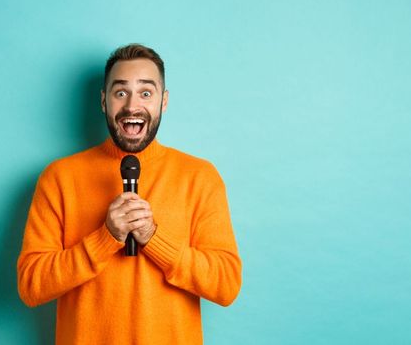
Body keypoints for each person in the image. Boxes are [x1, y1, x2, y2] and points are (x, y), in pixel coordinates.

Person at [17, 43, 242, 344]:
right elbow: (32, 286)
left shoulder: (200, 177)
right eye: (120, 92)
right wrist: (105, 238)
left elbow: (226, 285)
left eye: (146, 93)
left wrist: (154, 238)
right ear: (103, 101)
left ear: (163, 102)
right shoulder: (59, 178)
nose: (132, 106)